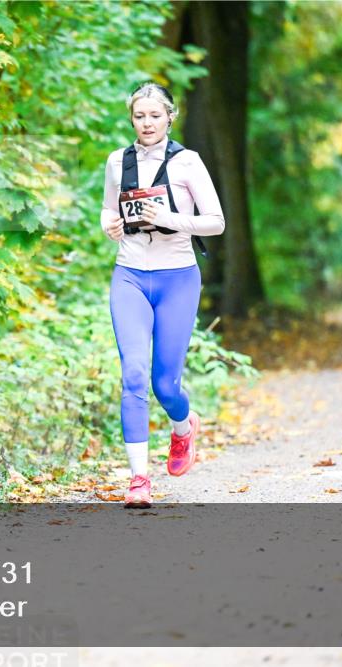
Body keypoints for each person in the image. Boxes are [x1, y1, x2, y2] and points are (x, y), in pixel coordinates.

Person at [100, 82, 225, 508]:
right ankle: (139, 480)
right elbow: (107, 208)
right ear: (131, 119)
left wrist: (172, 218)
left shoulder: (188, 162)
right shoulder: (118, 161)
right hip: (130, 276)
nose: (147, 123)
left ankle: (183, 426)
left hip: (177, 278)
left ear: (170, 116)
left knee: (164, 383)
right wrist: (110, 225)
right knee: (133, 376)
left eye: (155, 115)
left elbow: (216, 222)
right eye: (139, 116)